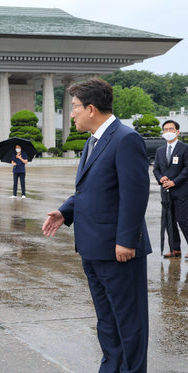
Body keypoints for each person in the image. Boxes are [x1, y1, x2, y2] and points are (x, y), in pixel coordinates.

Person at [42, 79, 151, 373]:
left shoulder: (125, 139)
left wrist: (127, 240)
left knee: (128, 320)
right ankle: (111, 367)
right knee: (107, 319)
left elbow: (135, 194)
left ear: (91, 109)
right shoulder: (94, 140)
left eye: (74, 108)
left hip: (118, 249)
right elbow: (91, 190)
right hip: (92, 247)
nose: (72, 114)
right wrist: (65, 212)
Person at [153, 119, 188, 258]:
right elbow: (156, 169)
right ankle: (175, 249)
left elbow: (187, 168)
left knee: (183, 219)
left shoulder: (185, 148)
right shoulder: (160, 151)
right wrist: (160, 178)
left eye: (171, 129)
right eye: (165, 130)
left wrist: (175, 182)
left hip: (181, 190)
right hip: (166, 192)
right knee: (169, 220)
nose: (168, 132)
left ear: (177, 132)